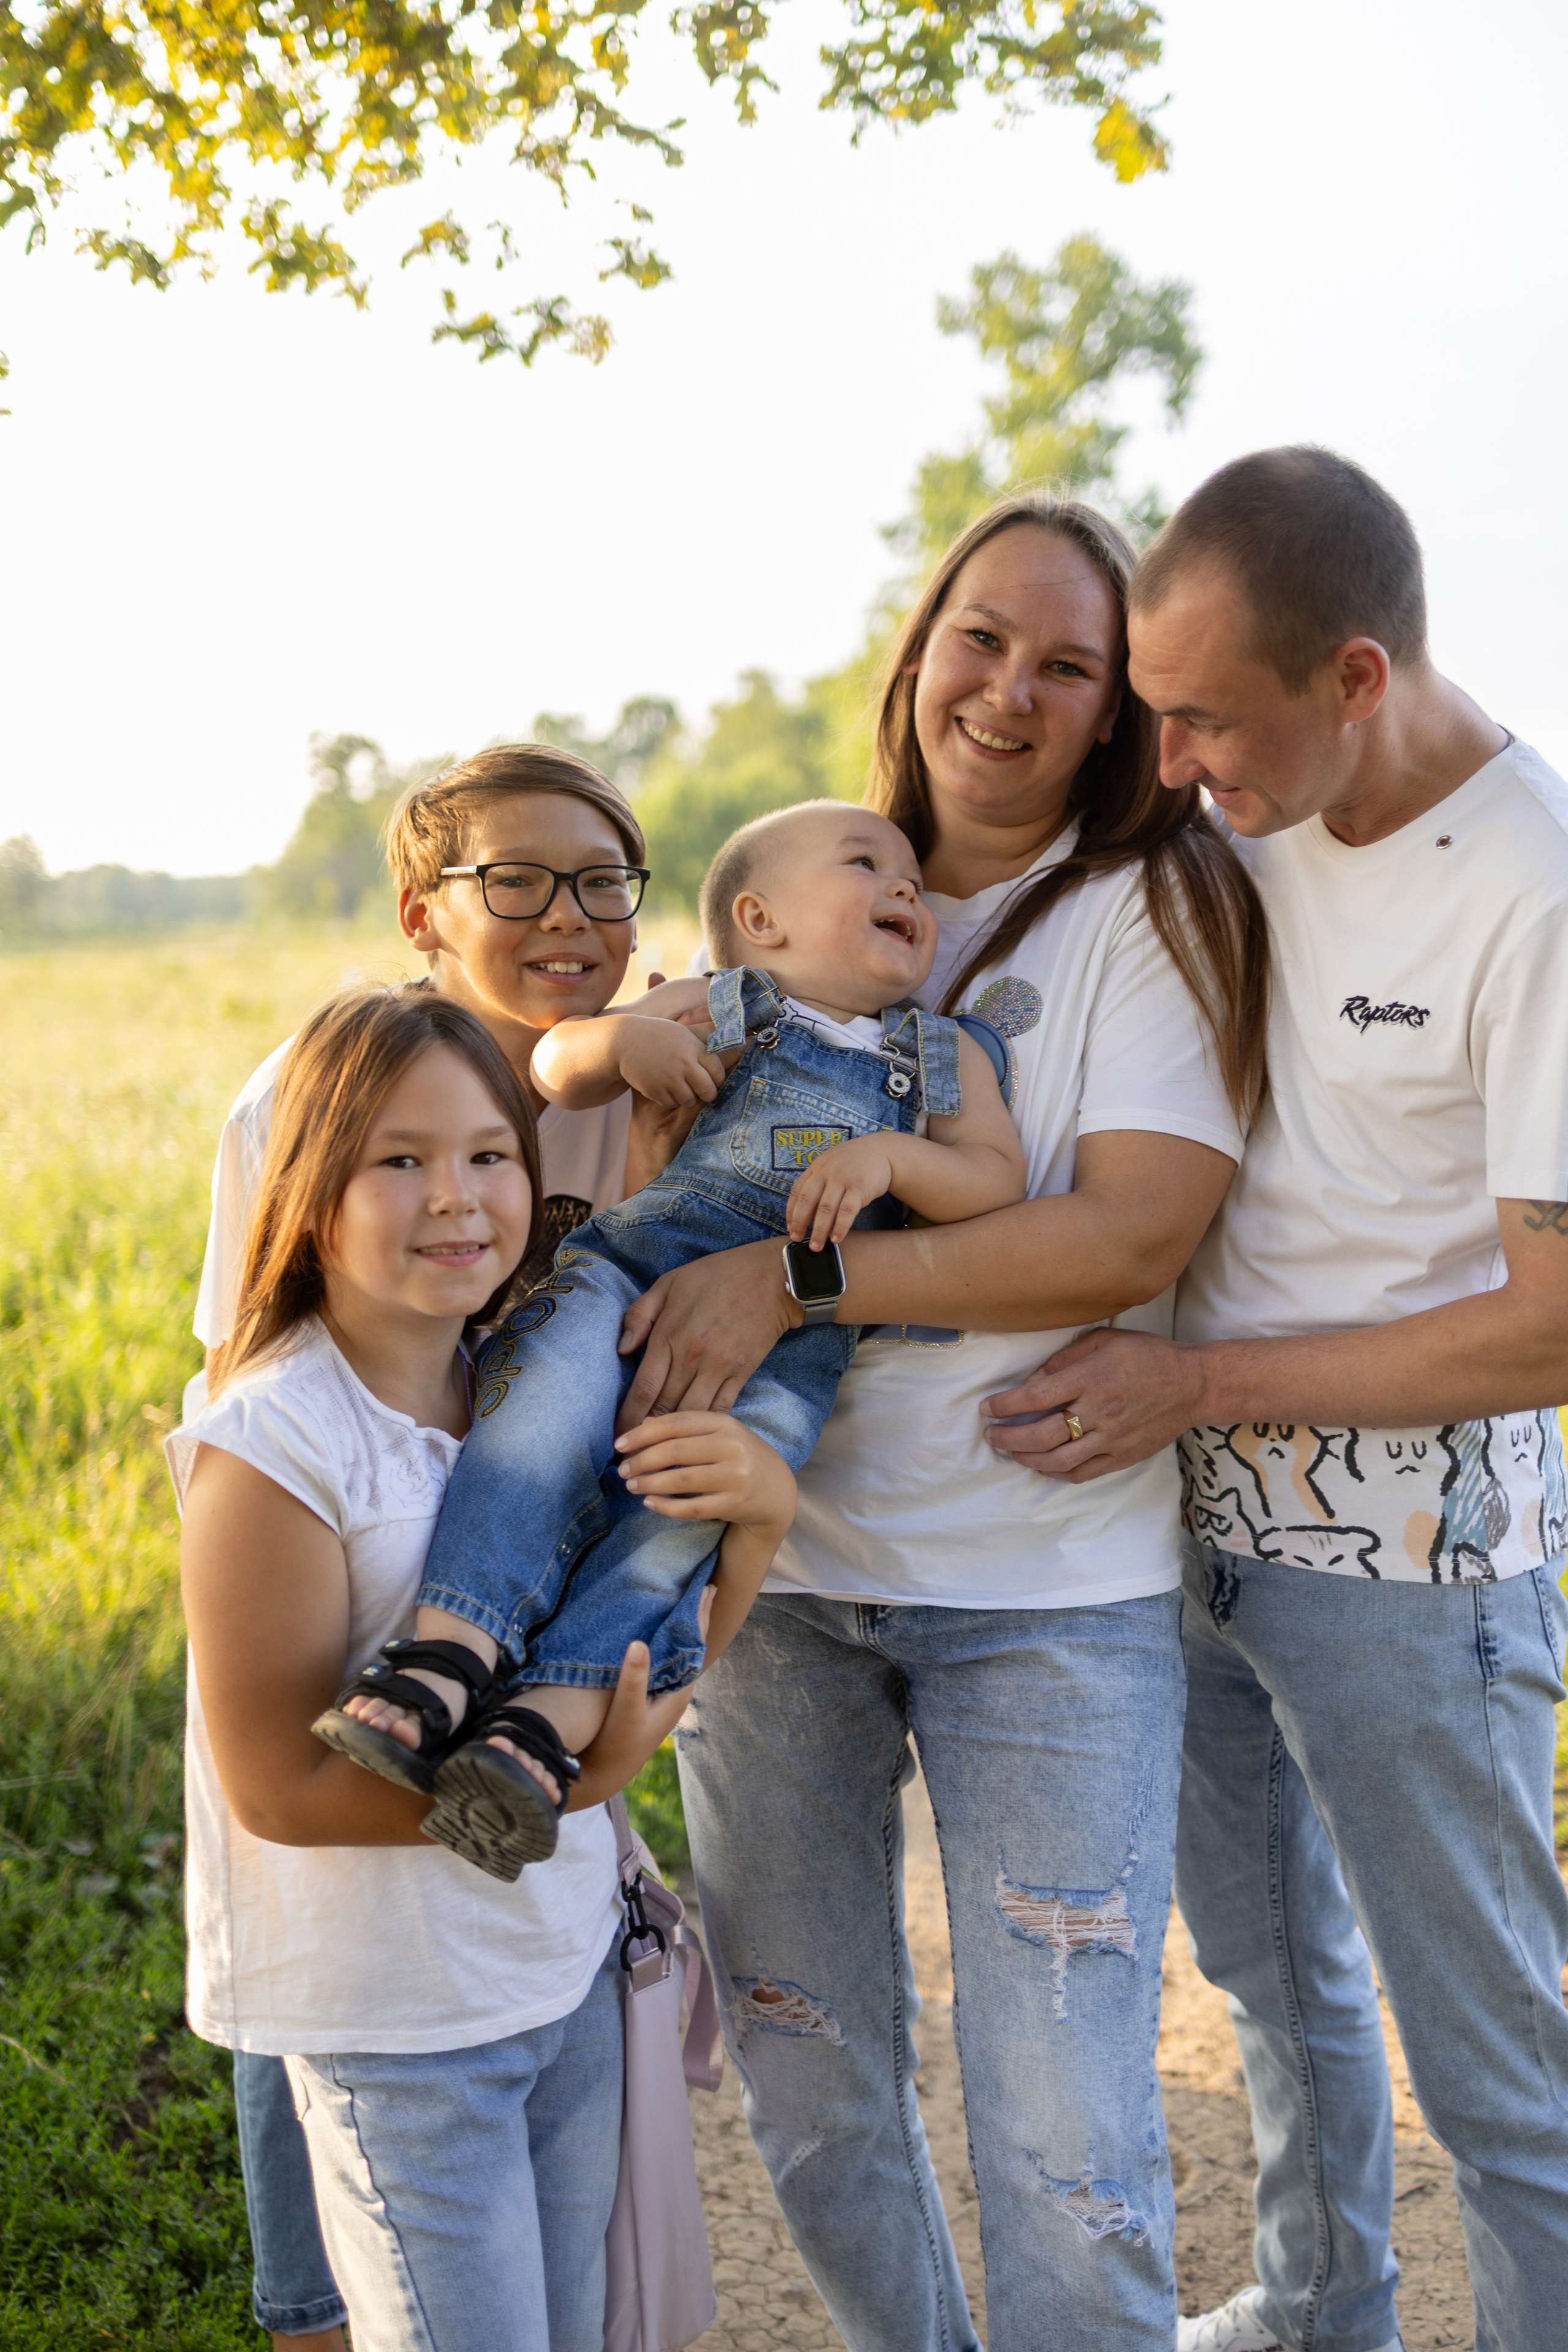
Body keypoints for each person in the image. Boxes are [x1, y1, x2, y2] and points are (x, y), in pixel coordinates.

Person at [601, 495, 1270, 2350]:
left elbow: (1136, 1226)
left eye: (1071, 664)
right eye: (985, 638)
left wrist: (796, 1288)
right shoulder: (813, 877)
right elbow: (649, 1106)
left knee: (1068, 2136)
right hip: (778, 1572)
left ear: (1122, 704)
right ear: (920, 648)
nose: (1011, 691)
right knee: (817, 2103)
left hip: (1048, 1589)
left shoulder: (1161, 902)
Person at [991, 448, 1568, 2352]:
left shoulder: (1535, 888)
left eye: (1209, 722)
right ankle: (1326, 2310)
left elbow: (1556, 1326)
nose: (1173, 768)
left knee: (1500, 2079)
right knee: (1273, 1981)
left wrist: (1201, 1382)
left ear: (1357, 677)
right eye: (1157, 715)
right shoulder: (1238, 815)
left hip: (1417, 1575)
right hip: (1195, 1530)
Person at [172, 984, 796, 2352]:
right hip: (396, 2023)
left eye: (487, 1156)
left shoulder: (539, 1393)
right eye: (398, 1160)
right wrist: (574, 1790)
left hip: (554, 1973)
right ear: (309, 1188)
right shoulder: (275, 1443)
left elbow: (642, 1651)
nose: (454, 1197)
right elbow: (275, 1789)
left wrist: (755, 1517)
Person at [318, 799, 1026, 1879]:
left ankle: (541, 1727)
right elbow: (558, 1066)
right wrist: (630, 1040)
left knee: (676, 1513)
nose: (904, 889)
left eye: (911, 884)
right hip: (632, 1269)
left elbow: (993, 1181)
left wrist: (896, 1165)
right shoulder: (734, 1001)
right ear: (761, 917)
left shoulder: (943, 1054)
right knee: (539, 1425)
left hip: (789, 1352)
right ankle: (446, 1655)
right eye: (865, 865)